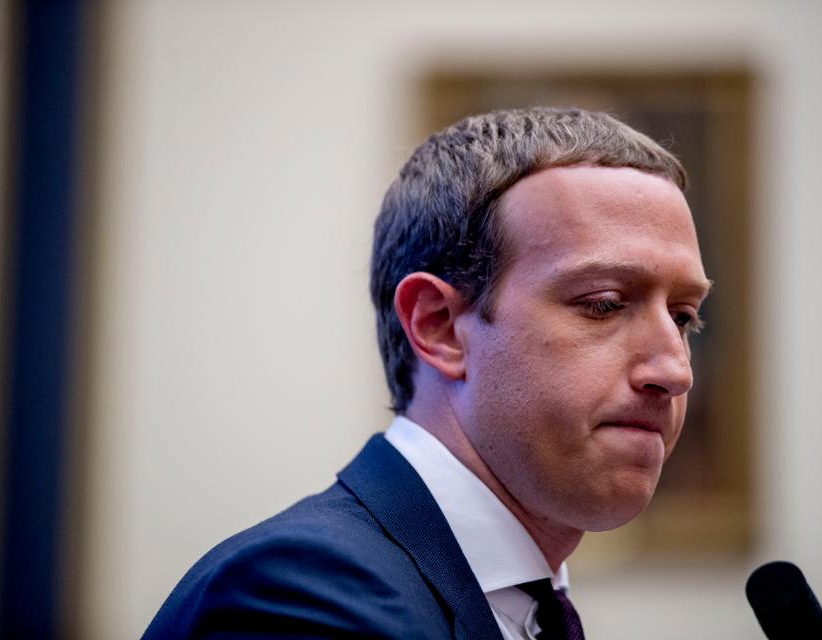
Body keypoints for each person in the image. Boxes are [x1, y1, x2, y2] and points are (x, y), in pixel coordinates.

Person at [142, 107, 711, 639]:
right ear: (439, 326)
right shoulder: (303, 598)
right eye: (605, 303)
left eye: (683, 316)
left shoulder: (523, 605)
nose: (675, 370)